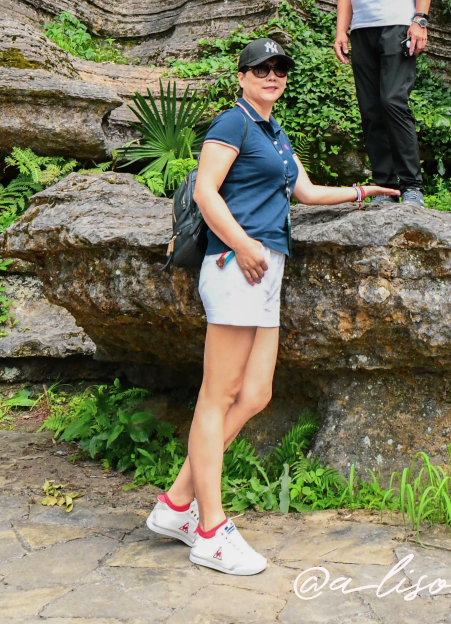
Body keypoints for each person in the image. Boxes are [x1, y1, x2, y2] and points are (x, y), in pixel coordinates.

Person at [145, 36, 399, 575]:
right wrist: (241, 244)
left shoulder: (274, 132)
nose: (272, 75)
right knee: (217, 396)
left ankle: (175, 504)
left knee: (256, 393)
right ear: (241, 76)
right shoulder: (232, 122)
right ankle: (210, 531)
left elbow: (305, 192)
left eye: (280, 68)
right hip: (236, 264)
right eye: (261, 68)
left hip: (266, 268)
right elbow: (206, 192)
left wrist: (362, 192)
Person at [331, 0, 432, 206]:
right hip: (362, 31)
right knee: (371, 108)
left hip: (398, 27)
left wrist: (420, 20)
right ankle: (385, 187)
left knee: (392, 101)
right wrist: (341, 30)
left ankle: (412, 186)